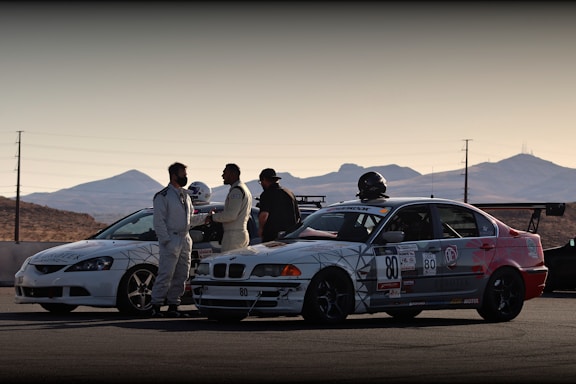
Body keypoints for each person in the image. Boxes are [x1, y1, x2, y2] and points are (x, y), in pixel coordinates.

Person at [150, 162, 209, 318]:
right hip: (172, 239)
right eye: (183, 174)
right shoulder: (163, 196)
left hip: (185, 238)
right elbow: (159, 221)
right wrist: (166, 241)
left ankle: (173, 305)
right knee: (166, 273)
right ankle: (156, 305)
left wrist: (205, 218)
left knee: (182, 274)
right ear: (174, 175)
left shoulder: (185, 195)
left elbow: (189, 219)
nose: (185, 177)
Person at [210, 163, 253, 252]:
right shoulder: (244, 188)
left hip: (233, 236)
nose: (222, 176)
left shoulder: (236, 191)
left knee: (229, 263)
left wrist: (213, 217)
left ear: (232, 174)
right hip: (239, 233)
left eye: (225, 173)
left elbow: (231, 215)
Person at [257, 168, 301, 242]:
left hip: (272, 237)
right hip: (290, 236)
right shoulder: (289, 193)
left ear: (264, 179)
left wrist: (260, 229)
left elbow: (264, 214)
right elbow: (298, 216)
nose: (261, 184)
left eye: (261, 181)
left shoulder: (267, 194)